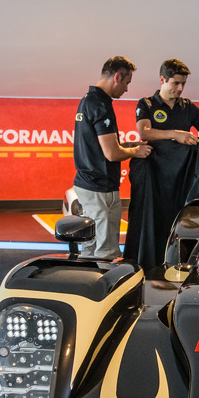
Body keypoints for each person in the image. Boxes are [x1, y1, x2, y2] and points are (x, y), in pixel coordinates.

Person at [73, 56, 151, 259]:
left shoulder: (88, 100)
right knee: (106, 251)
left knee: (91, 247)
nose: (126, 89)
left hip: (89, 184)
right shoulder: (100, 104)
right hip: (99, 188)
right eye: (126, 83)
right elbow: (111, 154)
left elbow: (102, 147)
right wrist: (136, 152)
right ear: (117, 77)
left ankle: (86, 286)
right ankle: (105, 290)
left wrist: (128, 145)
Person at [135, 59, 199, 144]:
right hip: (155, 158)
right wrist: (176, 134)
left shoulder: (188, 106)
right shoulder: (146, 103)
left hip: (183, 159)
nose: (180, 88)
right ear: (162, 80)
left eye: (183, 83)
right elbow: (144, 133)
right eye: (176, 83)